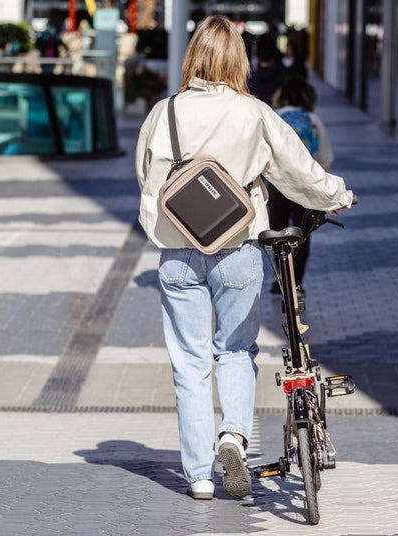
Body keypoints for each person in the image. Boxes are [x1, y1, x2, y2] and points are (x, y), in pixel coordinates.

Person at [135, 15, 353, 501]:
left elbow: (145, 176)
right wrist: (337, 194)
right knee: (235, 351)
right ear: (239, 59)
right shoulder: (253, 113)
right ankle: (232, 436)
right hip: (238, 250)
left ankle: (198, 476)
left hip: (176, 252)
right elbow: (298, 169)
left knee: (189, 363)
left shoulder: (164, 112)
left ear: (192, 56)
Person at [266, 76, 332, 295]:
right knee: (302, 235)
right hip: (305, 186)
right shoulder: (313, 120)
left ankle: (280, 279)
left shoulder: (274, 118)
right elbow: (325, 159)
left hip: (277, 185)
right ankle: (296, 283)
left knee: (278, 235)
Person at [247, 34, 284, 106]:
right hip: (274, 110)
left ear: (259, 58)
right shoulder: (279, 77)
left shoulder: (252, 78)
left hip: (257, 109)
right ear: (272, 59)